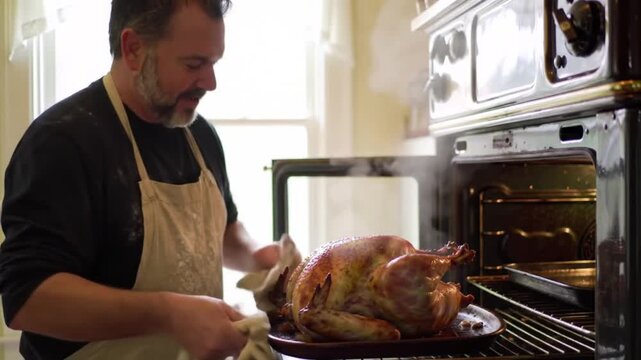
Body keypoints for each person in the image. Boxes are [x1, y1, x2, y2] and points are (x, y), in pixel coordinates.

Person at [0, 0, 280, 359]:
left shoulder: (198, 135)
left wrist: (257, 255)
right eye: (194, 64)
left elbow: (221, 229)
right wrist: (169, 313)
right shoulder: (62, 141)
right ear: (134, 49)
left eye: (213, 63)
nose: (210, 82)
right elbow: (29, 300)